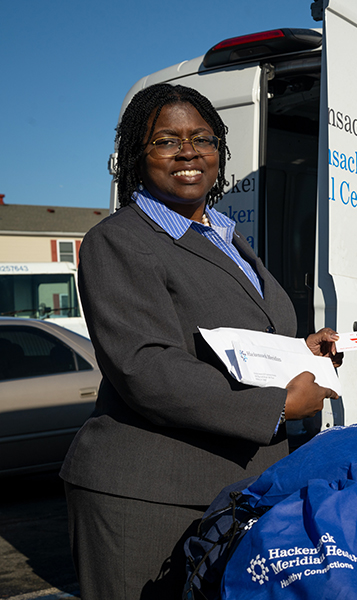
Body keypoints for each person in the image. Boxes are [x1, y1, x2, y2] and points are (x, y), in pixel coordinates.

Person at [61, 83, 339, 600]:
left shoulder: (227, 237)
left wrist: (302, 350)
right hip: (147, 496)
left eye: (202, 138)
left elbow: (235, 342)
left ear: (219, 151)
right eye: (167, 140)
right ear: (137, 158)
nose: (188, 151)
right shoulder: (120, 240)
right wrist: (278, 406)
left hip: (231, 490)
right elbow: (147, 366)